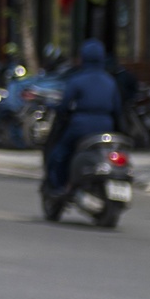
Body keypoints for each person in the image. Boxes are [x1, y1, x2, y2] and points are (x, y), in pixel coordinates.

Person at [45, 39, 120, 195]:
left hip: (81, 126)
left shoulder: (77, 80)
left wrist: (57, 110)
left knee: (60, 154)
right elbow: (118, 108)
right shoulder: (110, 81)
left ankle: (60, 187)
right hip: (106, 126)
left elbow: (64, 105)